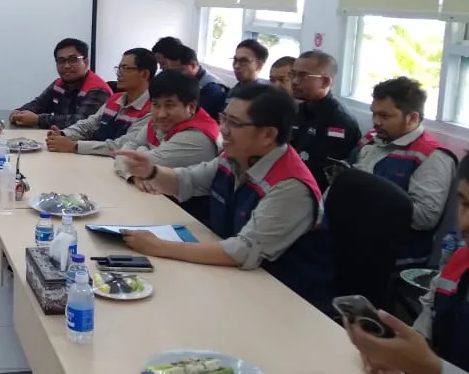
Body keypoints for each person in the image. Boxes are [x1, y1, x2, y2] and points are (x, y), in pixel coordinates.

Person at [115, 83, 334, 311]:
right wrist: (151, 171)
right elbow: (186, 181)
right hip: (233, 278)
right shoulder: (235, 157)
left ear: (268, 134)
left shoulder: (290, 187)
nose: (224, 130)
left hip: (285, 299)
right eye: (224, 119)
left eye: (235, 123)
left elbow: (242, 251)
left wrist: (158, 247)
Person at [345, 158, 469, 374]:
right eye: (464, 204)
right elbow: (426, 338)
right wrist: (399, 357)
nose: (465, 222)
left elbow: (430, 364)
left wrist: (430, 367)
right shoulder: (456, 268)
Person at [350, 77, 456, 267]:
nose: (376, 122)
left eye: (385, 116)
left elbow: (425, 217)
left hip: (395, 260)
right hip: (354, 244)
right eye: (374, 114)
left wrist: (369, 196)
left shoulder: (432, 156)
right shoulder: (371, 140)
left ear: (412, 118)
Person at [113, 70, 222, 184]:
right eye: (155, 105)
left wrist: (141, 150)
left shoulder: (198, 137)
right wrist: (133, 176)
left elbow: (144, 166)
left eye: (169, 105)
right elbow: (124, 153)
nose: (161, 114)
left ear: (191, 107)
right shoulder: (161, 122)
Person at [46, 48, 155, 156]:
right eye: (119, 68)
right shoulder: (115, 99)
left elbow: (123, 145)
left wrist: (74, 146)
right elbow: (89, 125)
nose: (119, 73)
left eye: (126, 69)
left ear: (144, 74)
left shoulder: (152, 109)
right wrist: (63, 134)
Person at [289, 50, 361, 191]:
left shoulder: (340, 121)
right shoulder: (297, 111)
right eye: (293, 74)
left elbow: (327, 174)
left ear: (325, 82)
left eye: (303, 76)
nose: (295, 81)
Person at [11, 38, 111, 130]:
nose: (66, 66)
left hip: (87, 142)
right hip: (60, 138)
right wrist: (20, 112)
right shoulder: (58, 84)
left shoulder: (98, 89)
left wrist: (38, 119)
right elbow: (39, 104)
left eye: (73, 59)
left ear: (86, 62)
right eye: (61, 61)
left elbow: (81, 122)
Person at [161, 43, 229, 120]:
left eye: (179, 70)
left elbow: (192, 116)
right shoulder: (187, 79)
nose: (176, 75)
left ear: (193, 65)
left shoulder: (212, 88)